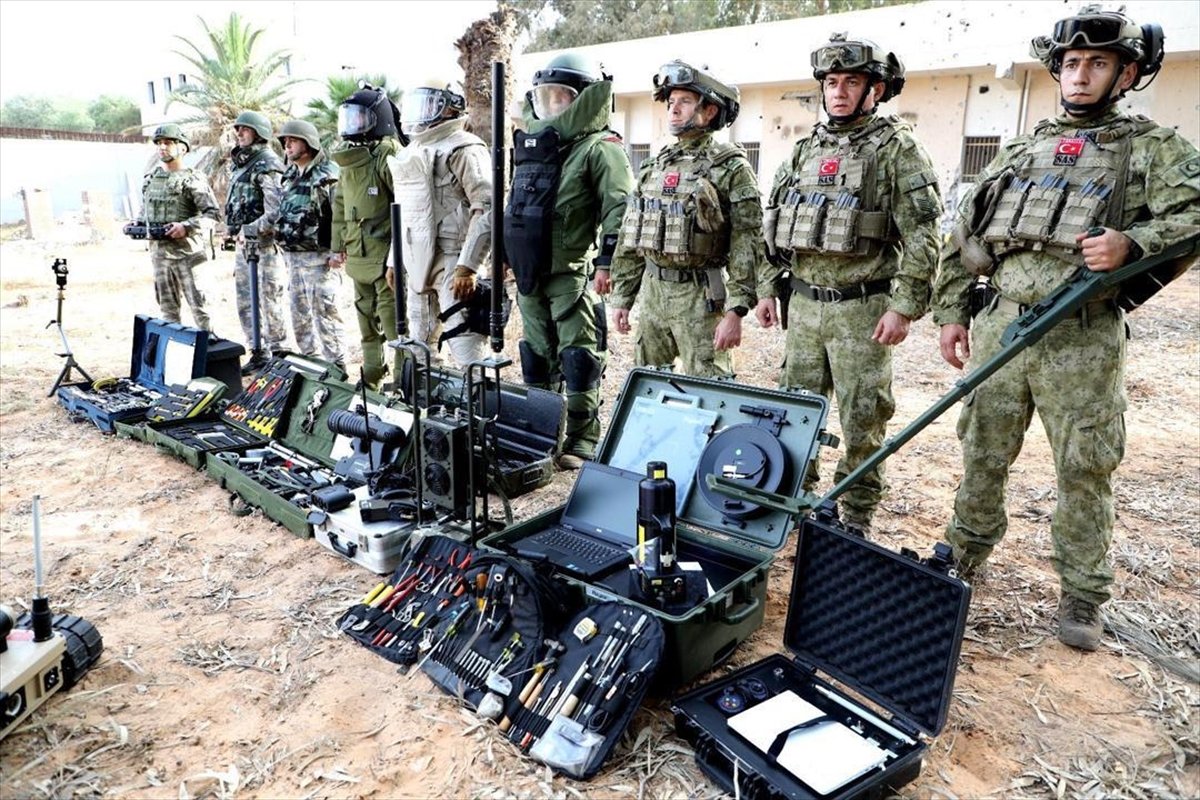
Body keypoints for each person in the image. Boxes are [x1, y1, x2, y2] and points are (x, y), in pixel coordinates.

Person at [932, 5, 1198, 651]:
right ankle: (964, 553)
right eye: (1072, 63)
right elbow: (965, 230)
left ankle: (1082, 592)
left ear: (1126, 71)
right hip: (1001, 327)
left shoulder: (1153, 148)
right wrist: (951, 311)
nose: (1081, 75)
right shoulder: (1024, 148)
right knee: (983, 450)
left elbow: (1194, 213)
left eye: (1097, 63)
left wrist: (1135, 242)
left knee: (1084, 467)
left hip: (1080, 336)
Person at [758, 34, 942, 534]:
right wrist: (768, 289)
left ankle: (856, 512)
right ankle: (797, 500)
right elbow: (773, 227)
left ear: (875, 90)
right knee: (795, 413)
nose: (839, 92)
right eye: (832, 82)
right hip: (804, 306)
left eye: (852, 82)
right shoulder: (804, 151)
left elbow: (925, 233)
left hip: (863, 308)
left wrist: (903, 306)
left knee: (864, 416)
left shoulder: (897, 149)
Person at [505, 53, 635, 470]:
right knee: (536, 355)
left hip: (572, 271)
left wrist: (608, 263)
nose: (551, 105)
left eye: (561, 97)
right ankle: (539, 436)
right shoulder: (533, 149)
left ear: (581, 101)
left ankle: (582, 440)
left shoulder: (600, 148)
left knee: (578, 356)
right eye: (545, 97)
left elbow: (620, 206)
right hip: (530, 273)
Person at [607, 61, 765, 377]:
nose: (674, 109)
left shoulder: (731, 168)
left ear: (709, 111)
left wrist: (735, 310)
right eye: (670, 102)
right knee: (649, 387)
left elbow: (748, 241)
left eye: (685, 102)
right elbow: (632, 235)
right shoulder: (655, 167)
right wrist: (623, 297)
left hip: (700, 297)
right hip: (653, 296)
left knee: (711, 391)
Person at [386, 76, 491, 368]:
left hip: (453, 261)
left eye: (430, 103)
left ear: (451, 108)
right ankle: (426, 407)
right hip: (418, 258)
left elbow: (488, 208)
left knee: (465, 349)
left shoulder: (466, 149)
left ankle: (478, 408)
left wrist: (468, 266)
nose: (422, 111)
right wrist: (394, 259)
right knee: (418, 348)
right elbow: (404, 211)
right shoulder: (412, 151)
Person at [329, 84, 404, 389]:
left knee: (392, 318)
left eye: (359, 118)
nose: (352, 124)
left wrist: (397, 257)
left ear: (379, 119)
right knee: (364, 316)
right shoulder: (348, 160)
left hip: (385, 255)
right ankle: (372, 373)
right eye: (348, 117)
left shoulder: (387, 154)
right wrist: (337, 247)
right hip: (358, 254)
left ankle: (404, 380)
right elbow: (340, 205)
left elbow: (406, 206)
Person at [275, 119, 345, 369]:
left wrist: (338, 250)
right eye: (285, 141)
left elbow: (341, 213)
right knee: (299, 318)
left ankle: (338, 370)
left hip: (320, 260)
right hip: (293, 260)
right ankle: (311, 367)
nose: (287, 145)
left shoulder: (329, 174)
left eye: (292, 140)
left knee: (326, 316)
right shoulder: (290, 174)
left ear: (309, 142)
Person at [140, 124, 219, 330]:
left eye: (167, 142)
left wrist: (186, 226)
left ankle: (209, 355)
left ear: (182, 148)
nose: (162, 147)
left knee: (201, 311)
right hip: (160, 256)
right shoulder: (150, 180)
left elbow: (212, 214)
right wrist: (137, 225)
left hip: (189, 256)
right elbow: (145, 212)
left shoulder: (193, 179)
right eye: (159, 143)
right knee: (168, 313)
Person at [227, 110, 287, 373]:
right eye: (237, 129)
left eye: (245, 129)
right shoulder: (240, 164)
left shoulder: (267, 164)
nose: (239, 134)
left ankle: (279, 354)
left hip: (265, 248)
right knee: (245, 301)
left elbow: (276, 210)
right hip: (244, 247)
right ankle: (258, 351)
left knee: (270, 300)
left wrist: (251, 228)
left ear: (259, 133)